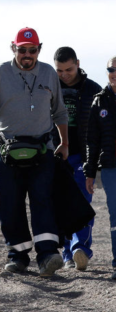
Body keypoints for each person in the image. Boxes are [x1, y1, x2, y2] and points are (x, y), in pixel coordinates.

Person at [0, 27, 69, 277]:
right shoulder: (0, 73)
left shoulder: (48, 72)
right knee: (9, 204)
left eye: (32, 50)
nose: (27, 54)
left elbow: (59, 111)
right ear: (13, 48)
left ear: (39, 49)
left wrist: (64, 142)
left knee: (43, 201)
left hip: (42, 150)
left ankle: (48, 255)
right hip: (8, 151)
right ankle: (18, 256)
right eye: (22, 49)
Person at [53, 47, 102, 271]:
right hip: (56, 155)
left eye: (69, 69)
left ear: (78, 63)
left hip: (84, 156)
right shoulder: (49, 88)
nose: (64, 74)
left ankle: (79, 249)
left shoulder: (94, 90)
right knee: (60, 203)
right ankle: (66, 254)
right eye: (60, 70)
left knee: (83, 202)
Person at [84, 56, 116, 280]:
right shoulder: (99, 101)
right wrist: (89, 173)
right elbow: (92, 141)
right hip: (111, 169)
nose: (114, 72)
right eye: (110, 69)